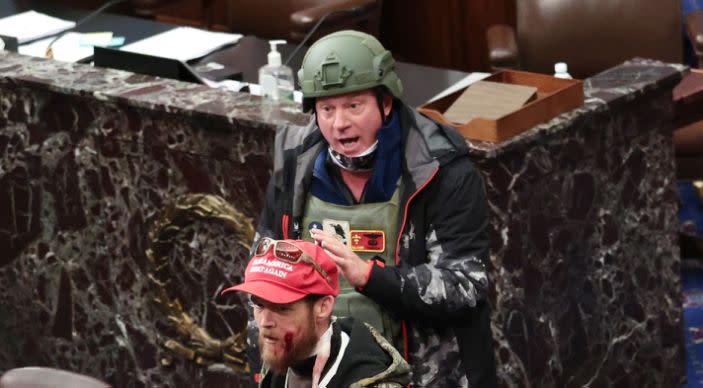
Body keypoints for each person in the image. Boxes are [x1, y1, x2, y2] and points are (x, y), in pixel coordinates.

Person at [254, 30, 496, 387]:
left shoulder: (442, 170)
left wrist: (369, 277)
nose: (339, 124)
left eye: (354, 105)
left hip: (427, 374)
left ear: (386, 103)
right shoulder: (294, 168)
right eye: (327, 109)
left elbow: (466, 285)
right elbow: (262, 276)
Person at [222, 238, 411, 387]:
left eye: (282, 307)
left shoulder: (367, 377)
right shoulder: (281, 358)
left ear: (323, 307)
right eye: (258, 304)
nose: (265, 322)